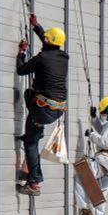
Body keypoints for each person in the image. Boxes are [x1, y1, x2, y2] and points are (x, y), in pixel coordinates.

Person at [16, 13, 68, 196]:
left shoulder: (42, 58)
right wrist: (36, 26)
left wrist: (21, 52)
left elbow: (21, 70)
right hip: (57, 109)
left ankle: (33, 182)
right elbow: (49, 42)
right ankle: (33, 132)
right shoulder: (63, 57)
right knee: (30, 95)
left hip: (43, 109)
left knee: (31, 143)